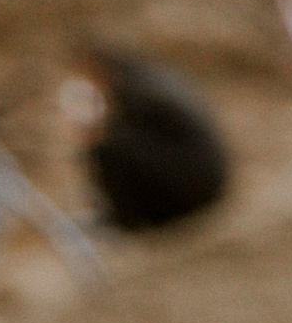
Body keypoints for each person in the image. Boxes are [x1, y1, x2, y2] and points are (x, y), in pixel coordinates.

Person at [67, 48, 229, 235]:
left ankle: (124, 222)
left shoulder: (136, 91)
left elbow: (120, 143)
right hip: (206, 181)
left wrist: (94, 136)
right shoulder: (148, 78)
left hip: (194, 188)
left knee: (106, 149)